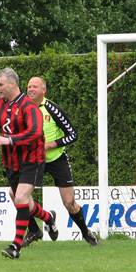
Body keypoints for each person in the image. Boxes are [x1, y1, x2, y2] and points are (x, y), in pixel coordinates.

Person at [0, 67, 58, 259]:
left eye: (0, 84)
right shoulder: (0, 104)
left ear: (12, 83)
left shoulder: (29, 106)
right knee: (18, 198)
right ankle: (48, 218)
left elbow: (35, 133)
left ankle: (15, 247)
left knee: (21, 198)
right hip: (11, 162)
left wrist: (10, 140)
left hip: (31, 159)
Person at [24, 76, 98, 247]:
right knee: (18, 195)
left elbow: (73, 134)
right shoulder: (22, 109)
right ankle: (35, 229)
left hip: (57, 159)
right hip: (34, 160)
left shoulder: (52, 109)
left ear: (44, 90)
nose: (31, 89)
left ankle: (86, 233)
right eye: (29, 86)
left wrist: (51, 144)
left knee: (69, 203)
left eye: (35, 86)